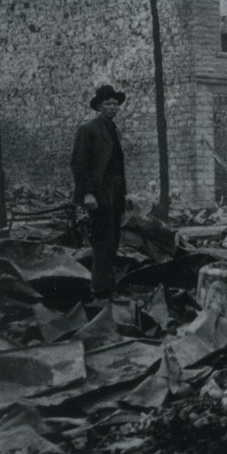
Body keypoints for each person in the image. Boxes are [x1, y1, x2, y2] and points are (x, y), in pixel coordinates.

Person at [71, 85, 127, 299]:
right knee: (102, 239)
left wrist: (123, 193)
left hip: (115, 190)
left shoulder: (113, 129)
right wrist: (87, 193)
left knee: (113, 238)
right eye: (108, 104)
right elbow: (78, 163)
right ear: (99, 107)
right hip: (99, 191)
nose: (113, 107)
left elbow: (117, 165)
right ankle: (101, 290)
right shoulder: (89, 129)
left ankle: (107, 286)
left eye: (115, 104)